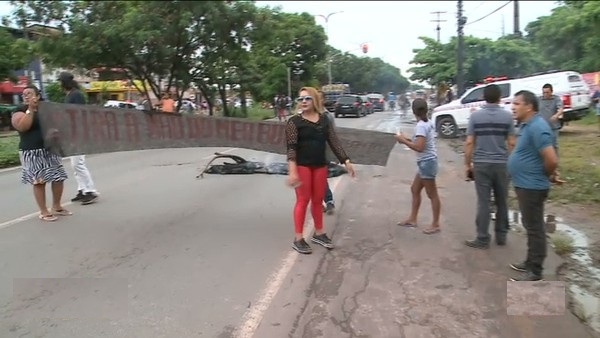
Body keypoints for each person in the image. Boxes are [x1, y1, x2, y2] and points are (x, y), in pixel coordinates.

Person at [285, 86, 356, 254]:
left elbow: (334, 142)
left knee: (318, 200)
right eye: (300, 99)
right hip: (302, 166)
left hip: (320, 165)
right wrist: (292, 170)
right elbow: (291, 148)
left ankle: (319, 233)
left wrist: (346, 160)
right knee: (303, 200)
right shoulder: (294, 122)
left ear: (315, 100)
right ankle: (298, 238)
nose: (303, 101)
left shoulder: (324, 120)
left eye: (307, 98)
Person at [508, 90, 560, 281]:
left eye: (517, 103)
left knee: (535, 228)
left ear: (529, 106)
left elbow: (551, 160)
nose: (512, 107)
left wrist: (545, 174)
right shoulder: (526, 125)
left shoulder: (538, 127)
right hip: (525, 184)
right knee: (530, 226)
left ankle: (535, 271)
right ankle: (530, 262)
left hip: (532, 186)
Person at [463, 84, 516, 249]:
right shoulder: (508, 117)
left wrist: (467, 164)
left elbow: (470, 142)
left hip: (481, 164)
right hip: (502, 164)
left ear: (483, 97)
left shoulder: (475, 117)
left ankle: (482, 238)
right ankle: (501, 236)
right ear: (500, 98)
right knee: (502, 201)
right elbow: (512, 143)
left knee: (484, 202)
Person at [10, 85, 71, 221]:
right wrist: (30, 110)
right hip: (32, 151)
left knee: (58, 177)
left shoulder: (46, 110)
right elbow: (22, 126)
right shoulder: (19, 111)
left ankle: (57, 206)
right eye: (24, 94)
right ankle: (44, 211)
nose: (26, 96)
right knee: (39, 181)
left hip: (50, 148)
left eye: (30, 93)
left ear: (37, 96)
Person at [395, 98, 441, 234]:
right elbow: (421, 142)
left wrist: (403, 141)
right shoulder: (427, 123)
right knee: (415, 189)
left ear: (413, 111)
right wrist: (405, 139)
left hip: (427, 162)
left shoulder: (421, 125)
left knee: (432, 194)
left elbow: (419, 147)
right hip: (426, 162)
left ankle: (436, 224)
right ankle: (412, 219)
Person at [59, 72, 99, 205]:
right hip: (72, 133)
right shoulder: (70, 94)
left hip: (79, 133)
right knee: (74, 164)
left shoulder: (76, 95)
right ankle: (82, 189)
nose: (59, 84)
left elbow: (81, 114)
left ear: (64, 82)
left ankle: (90, 191)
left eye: (60, 81)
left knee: (78, 164)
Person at [319, 90, 336, 215]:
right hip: (307, 153)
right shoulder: (305, 114)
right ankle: (318, 203)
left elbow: (333, 136)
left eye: (319, 98)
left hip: (322, 152)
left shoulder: (327, 116)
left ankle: (328, 201)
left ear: (323, 100)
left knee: (321, 178)